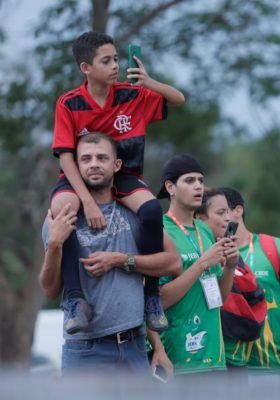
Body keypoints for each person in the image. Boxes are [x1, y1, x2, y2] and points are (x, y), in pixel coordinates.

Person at [50, 31, 185, 333]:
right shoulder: (69, 104)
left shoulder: (130, 94)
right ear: (86, 68)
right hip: (80, 179)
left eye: (116, 59)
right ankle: (75, 299)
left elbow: (178, 99)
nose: (115, 65)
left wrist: (148, 82)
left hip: (124, 175)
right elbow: (65, 156)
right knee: (63, 207)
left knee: (151, 210)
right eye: (106, 60)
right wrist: (85, 199)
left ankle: (151, 296)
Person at [38, 132, 181, 375]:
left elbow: (173, 263)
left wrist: (121, 260)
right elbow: (50, 290)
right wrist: (54, 245)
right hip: (85, 349)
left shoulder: (135, 212)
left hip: (134, 344)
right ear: (76, 167)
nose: (94, 164)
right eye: (86, 159)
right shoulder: (59, 218)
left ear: (116, 165)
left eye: (102, 158)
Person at [155, 154, 239, 379]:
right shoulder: (159, 229)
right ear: (170, 187)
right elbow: (159, 300)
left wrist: (230, 266)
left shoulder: (204, 231)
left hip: (214, 357)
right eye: (190, 180)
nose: (198, 186)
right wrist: (202, 263)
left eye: (201, 180)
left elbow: (218, 297)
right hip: (178, 358)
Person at [219, 187, 280, 381]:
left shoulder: (275, 247)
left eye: (223, 211)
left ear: (238, 210)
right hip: (226, 365)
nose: (220, 218)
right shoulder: (211, 253)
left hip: (272, 364)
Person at [195, 188, 267, 379]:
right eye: (220, 213)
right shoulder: (193, 253)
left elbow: (255, 301)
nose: (228, 218)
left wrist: (231, 265)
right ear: (200, 219)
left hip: (236, 360)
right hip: (202, 358)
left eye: (228, 212)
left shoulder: (232, 254)